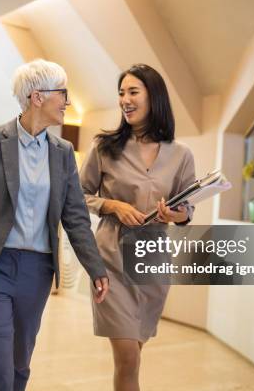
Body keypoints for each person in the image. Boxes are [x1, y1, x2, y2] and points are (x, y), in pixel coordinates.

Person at [0, 59, 109, 391]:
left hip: (37, 273)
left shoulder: (62, 152)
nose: (68, 102)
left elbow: (75, 216)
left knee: (19, 367)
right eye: (63, 93)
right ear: (38, 97)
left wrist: (96, 268)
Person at [79, 64, 196, 391]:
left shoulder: (181, 154)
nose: (124, 100)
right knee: (127, 356)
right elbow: (77, 194)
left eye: (133, 92)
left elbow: (188, 209)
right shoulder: (105, 147)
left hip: (153, 261)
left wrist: (176, 215)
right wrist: (112, 205)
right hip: (110, 261)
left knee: (135, 354)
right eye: (121, 93)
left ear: (153, 97)